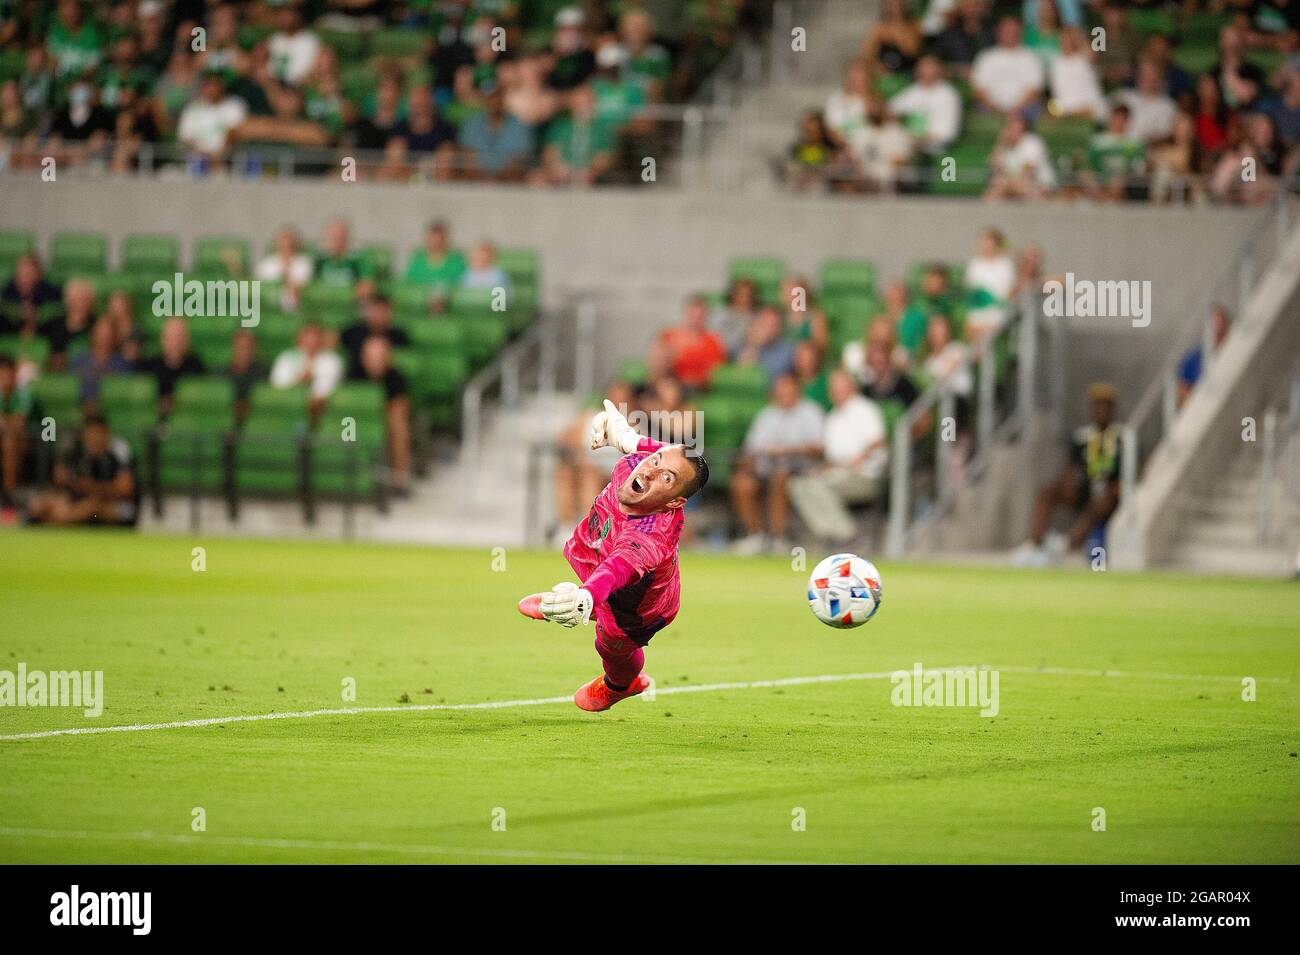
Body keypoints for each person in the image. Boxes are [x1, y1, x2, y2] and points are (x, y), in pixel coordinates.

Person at [516, 398, 709, 713]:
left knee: (611, 646)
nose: (652, 470)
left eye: (667, 478)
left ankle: (620, 686)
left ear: (674, 503)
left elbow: (619, 568)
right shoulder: (643, 464)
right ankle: (591, 606)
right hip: (601, 551)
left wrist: (588, 595)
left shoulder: (650, 536)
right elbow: (653, 449)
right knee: (595, 576)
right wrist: (622, 434)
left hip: (636, 608)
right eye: (656, 459)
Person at [1013, 383, 1122, 565]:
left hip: (1111, 495)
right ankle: (1036, 545)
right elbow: (1069, 468)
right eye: (1097, 405)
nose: (1100, 410)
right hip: (1086, 490)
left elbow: (1132, 473)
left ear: (1112, 409)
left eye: (1105, 405)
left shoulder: (1122, 438)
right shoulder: (1082, 437)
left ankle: (1064, 547)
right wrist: (1067, 483)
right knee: (1047, 492)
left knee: (1104, 499)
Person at [729, 373, 825, 555]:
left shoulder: (811, 412)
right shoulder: (767, 414)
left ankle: (777, 538)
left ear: (797, 391)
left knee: (780, 476)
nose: (783, 395)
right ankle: (755, 536)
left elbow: (818, 447)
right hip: (765, 467)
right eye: (780, 391)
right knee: (742, 482)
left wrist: (788, 450)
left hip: (800, 468)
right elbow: (751, 448)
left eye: (787, 390)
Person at [789, 369, 888, 543]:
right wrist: (820, 470)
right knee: (799, 485)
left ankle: (848, 534)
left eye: (841, 387)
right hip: (838, 474)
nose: (837, 392)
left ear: (851, 388)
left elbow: (878, 441)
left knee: (819, 487)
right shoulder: (832, 418)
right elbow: (833, 460)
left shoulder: (864, 409)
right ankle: (829, 533)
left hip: (865, 475)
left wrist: (860, 458)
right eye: (833, 389)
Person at [28, 414, 136, 526]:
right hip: (79, 503)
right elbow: (64, 483)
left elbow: (125, 489)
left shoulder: (118, 451)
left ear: (106, 434)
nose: (93, 439)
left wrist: (92, 487)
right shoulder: (80, 453)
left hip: (114, 506)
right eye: (89, 435)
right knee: (40, 504)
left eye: (96, 434)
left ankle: (53, 523)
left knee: (92, 506)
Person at [358, 336, 411, 492]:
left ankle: (400, 480)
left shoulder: (396, 378)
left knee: (398, 426)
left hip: (384, 420)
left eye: (380, 358)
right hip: (357, 419)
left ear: (388, 358)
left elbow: (402, 407)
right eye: (371, 358)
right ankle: (351, 472)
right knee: (347, 425)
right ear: (363, 358)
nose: (375, 362)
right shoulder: (353, 374)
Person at [649, 295, 727, 390]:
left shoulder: (713, 342)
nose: (695, 320)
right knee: (626, 393)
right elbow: (655, 362)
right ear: (685, 313)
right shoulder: (668, 335)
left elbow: (712, 374)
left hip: (690, 387)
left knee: (668, 390)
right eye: (692, 315)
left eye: (699, 316)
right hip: (663, 380)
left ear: (706, 316)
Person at [270, 322, 344, 419]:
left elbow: (329, 385)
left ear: (322, 339)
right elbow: (277, 384)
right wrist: (299, 380)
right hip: (287, 407)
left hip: (324, 411)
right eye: (307, 337)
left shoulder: (332, 360)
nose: (311, 341)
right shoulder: (286, 358)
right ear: (299, 339)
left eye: (315, 337)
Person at [143, 317, 205, 418]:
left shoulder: (196, 366)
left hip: (187, 422)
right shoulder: (149, 366)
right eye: (171, 337)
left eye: (180, 337)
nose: (176, 343)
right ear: (163, 339)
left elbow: (201, 399)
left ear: (187, 340)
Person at [340, 294, 409, 379]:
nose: (380, 315)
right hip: (356, 380)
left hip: (390, 381)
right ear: (369, 312)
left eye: (384, 311)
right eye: (377, 310)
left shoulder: (399, 336)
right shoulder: (351, 333)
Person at [1177, 305, 1231, 404]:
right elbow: (1182, 387)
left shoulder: (1232, 353)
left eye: (1221, 323)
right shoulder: (1195, 357)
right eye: (1215, 323)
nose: (1218, 328)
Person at [0, 354, 32, 507]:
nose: (5, 378)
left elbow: (19, 423)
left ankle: (8, 496)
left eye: (8, 373)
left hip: (33, 439)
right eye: (2, 374)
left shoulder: (24, 394)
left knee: (9, 441)